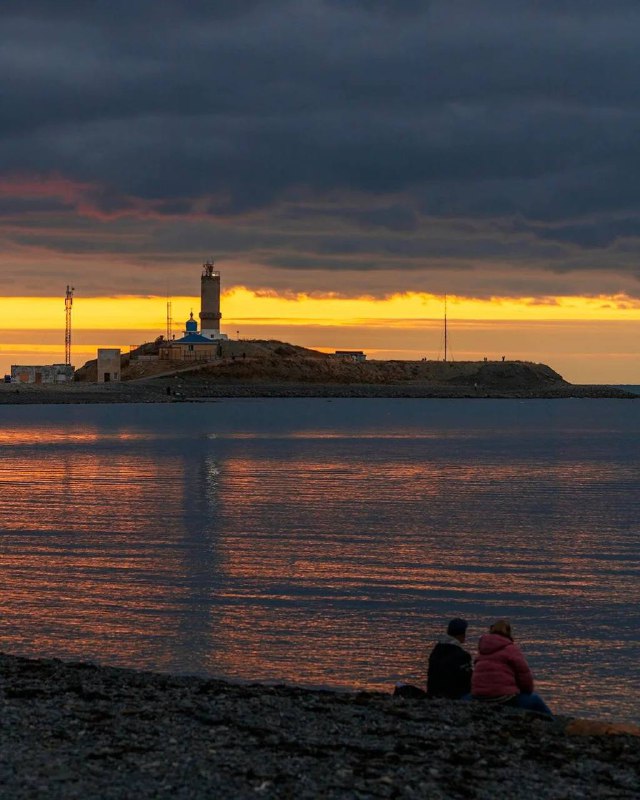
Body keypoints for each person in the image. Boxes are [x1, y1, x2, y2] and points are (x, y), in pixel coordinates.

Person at [471, 619, 552, 715]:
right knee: (535, 700)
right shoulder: (511, 649)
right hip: (503, 698)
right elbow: (524, 675)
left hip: (479, 697)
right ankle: (554, 723)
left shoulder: (482, 650)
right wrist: (526, 691)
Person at [426, 617, 473, 699]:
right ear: (462, 634)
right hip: (454, 696)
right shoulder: (462, 656)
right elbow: (467, 681)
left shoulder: (436, 651)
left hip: (433, 694)